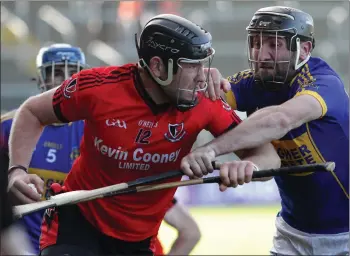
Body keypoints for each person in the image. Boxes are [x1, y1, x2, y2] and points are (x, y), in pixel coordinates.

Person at [7, 14, 280, 255]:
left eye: (203, 64)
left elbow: (268, 156)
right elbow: (32, 112)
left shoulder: (205, 100)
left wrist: (249, 165)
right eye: (192, 66)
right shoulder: (97, 88)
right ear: (158, 67)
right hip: (77, 220)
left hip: (138, 240)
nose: (202, 77)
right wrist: (17, 170)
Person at [181, 6, 349, 255]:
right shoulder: (251, 82)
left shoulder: (323, 82)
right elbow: (198, 103)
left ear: (304, 49)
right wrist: (198, 79)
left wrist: (210, 150)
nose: (262, 55)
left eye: (274, 44)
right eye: (256, 43)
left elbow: (279, 119)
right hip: (291, 235)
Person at [1, 43, 87, 254]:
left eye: (73, 72)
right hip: (17, 243)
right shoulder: (7, 126)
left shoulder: (95, 129)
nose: (65, 79)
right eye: (57, 72)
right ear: (41, 79)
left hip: (72, 244)